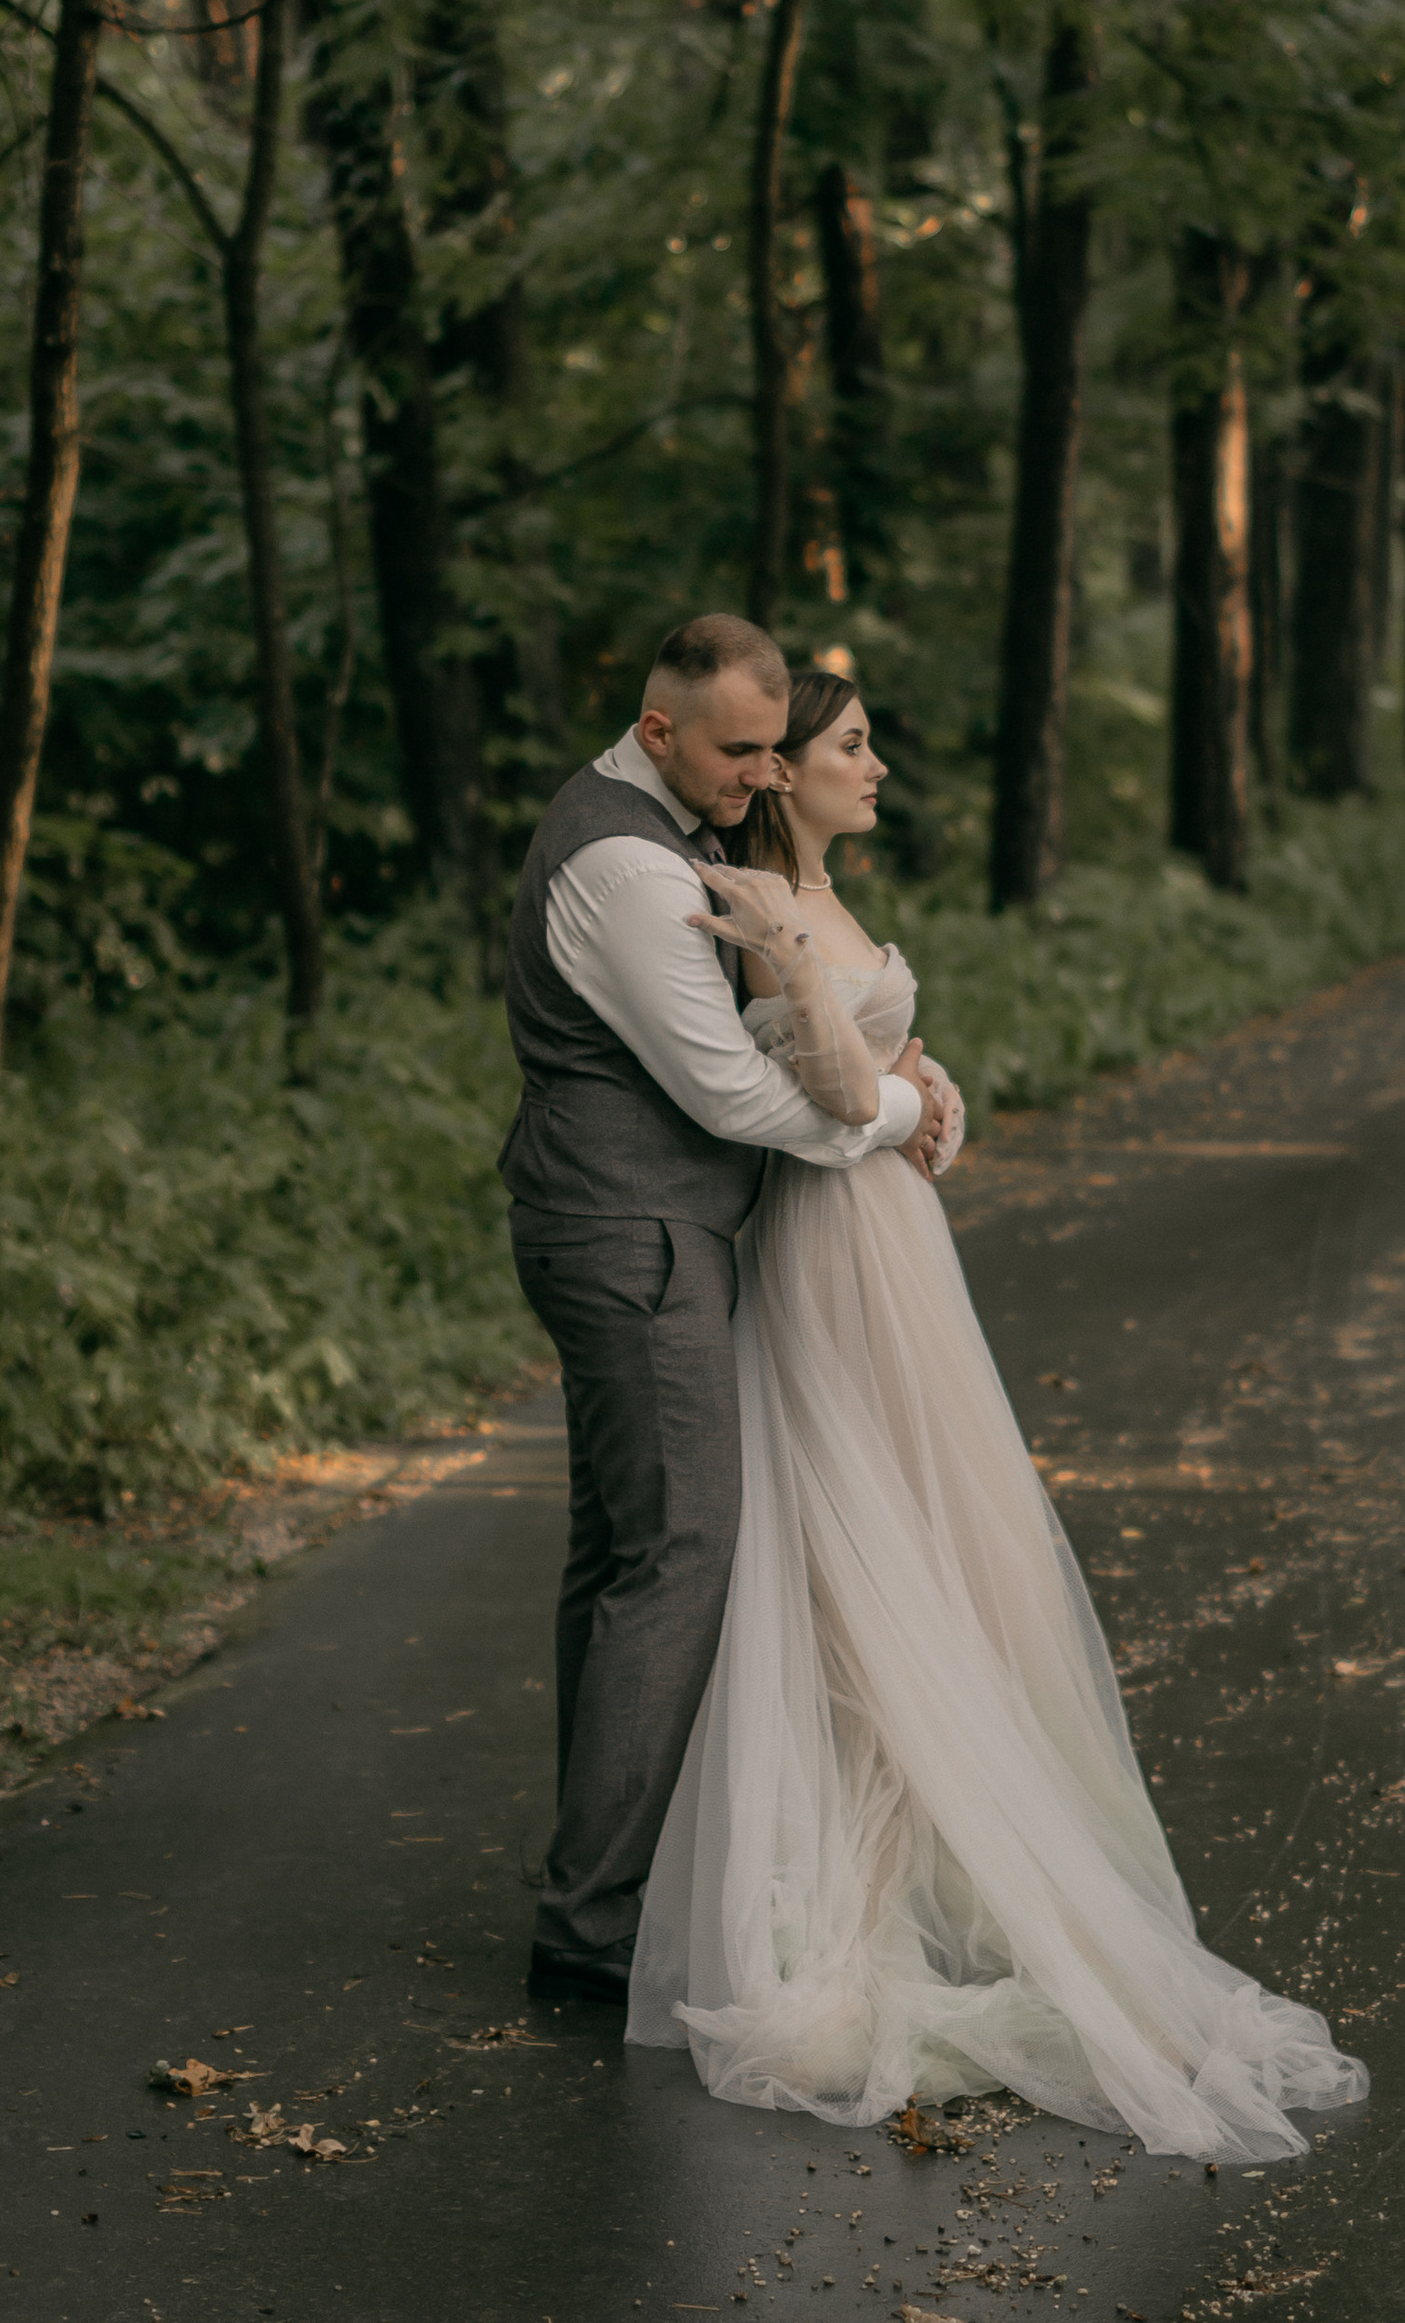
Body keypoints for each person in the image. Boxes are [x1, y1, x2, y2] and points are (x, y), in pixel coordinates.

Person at [626, 668, 1367, 2162]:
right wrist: (864, 1049)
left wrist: (927, 1082)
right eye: (849, 747)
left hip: (897, 1254)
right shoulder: (758, 909)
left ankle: (896, 1883)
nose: (874, 765)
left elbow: (875, 1080)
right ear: (782, 779)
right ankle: (841, 1929)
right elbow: (830, 1095)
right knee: (867, 1581)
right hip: (831, 1267)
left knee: (950, 1572)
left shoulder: (816, 907)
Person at [500, 614, 940, 2003]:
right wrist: (897, 1110)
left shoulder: (658, 833)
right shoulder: (630, 865)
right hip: (634, 1234)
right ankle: (592, 1923)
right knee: (682, 1550)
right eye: (740, 750)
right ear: (657, 732)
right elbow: (726, 1094)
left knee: (619, 1553)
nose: (761, 773)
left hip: (628, 1223)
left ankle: (597, 1882)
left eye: (772, 749)